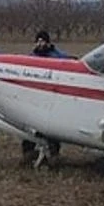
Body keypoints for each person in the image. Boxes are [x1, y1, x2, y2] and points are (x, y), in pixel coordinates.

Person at [21, 30, 69, 162]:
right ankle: (28, 152)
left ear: (48, 42)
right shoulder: (31, 57)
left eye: (43, 41)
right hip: (34, 98)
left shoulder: (57, 56)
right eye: (38, 41)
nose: (40, 43)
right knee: (29, 126)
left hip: (51, 98)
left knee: (52, 128)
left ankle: (54, 153)